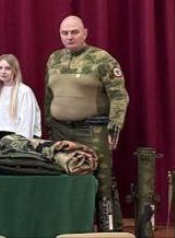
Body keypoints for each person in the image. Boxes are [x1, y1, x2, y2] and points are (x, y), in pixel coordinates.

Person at [45, 15, 129, 231]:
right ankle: (71, 229)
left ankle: (110, 231)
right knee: (64, 180)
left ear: (85, 33)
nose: (69, 37)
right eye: (65, 33)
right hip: (60, 131)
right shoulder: (54, 59)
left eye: (74, 32)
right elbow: (48, 96)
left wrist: (114, 127)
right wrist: (48, 125)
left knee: (102, 182)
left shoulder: (102, 59)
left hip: (93, 130)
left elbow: (119, 96)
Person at [0, 54, 41, 140]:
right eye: (0, 68)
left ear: (14, 70)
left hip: (19, 139)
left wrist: (21, 143)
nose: (3, 71)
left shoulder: (24, 91)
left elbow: (26, 123)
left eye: (7, 68)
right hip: (0, 138)